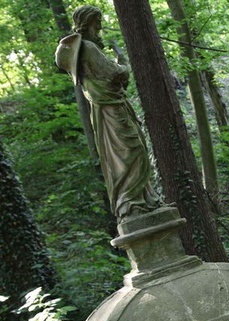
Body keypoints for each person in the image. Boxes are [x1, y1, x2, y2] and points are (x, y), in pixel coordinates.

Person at [55, 5, 161, 222]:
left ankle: (142, 198)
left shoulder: (82, 50)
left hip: (108, 106)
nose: (100, 26)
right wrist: (123, 63)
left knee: (125, 153)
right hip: (111, 107)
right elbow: (112, 73)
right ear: (87, 23)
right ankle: (132, 202)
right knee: (131, 151)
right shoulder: (88, 48)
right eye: (97, 23)